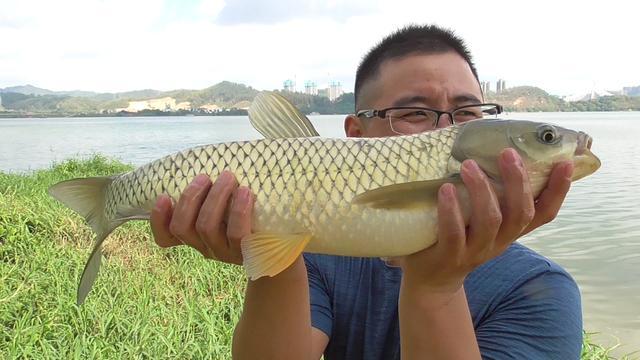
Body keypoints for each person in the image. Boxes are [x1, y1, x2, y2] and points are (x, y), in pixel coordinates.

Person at [150, 25, 582, 359]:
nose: (448, 131)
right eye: (414, 112)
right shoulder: (321, 248)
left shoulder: (538, 289)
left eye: (469, 113)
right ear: (354, 136)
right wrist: (271, 258)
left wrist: (437, 287)